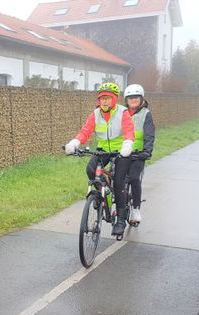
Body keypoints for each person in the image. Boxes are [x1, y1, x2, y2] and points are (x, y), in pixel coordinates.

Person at [64, 82, 134, 236]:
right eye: (101, 98)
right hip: (103, 151)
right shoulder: (95, 114)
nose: (104, 101)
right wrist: (75, 142)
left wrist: (128, 144)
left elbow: (129, 131)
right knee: (90, 170)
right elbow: (85, 131)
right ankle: (100, 194)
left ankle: (121, 220)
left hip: (121, 151)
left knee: (119, 182)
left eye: (108, 98)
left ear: (114, 99)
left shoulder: (123, 113)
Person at [124, 84, 155, 225]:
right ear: (126, 100)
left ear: (141, 99)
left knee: (134, 178)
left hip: (138, 154)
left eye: (136, 97)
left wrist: (147, 151)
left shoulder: (145, 114)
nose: (133, 100)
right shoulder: (121, 112)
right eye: (130, 98)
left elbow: (149, 134)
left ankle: (136, 209)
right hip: (122, 152)